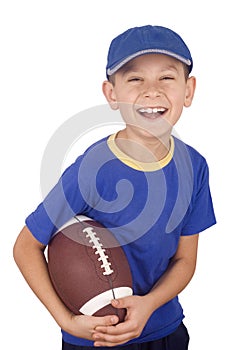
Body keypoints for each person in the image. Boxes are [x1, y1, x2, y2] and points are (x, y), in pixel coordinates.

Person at [13, 25, 216, 349]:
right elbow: (25, 246)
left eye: (166, 77)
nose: (152, 91)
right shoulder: (91, 170)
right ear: (112, 94)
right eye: (135, 79)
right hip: (96, 337)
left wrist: (148, 305)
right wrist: (67, 322)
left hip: (164, 330)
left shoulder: (195, 166)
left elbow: (185, 261)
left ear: (188, 90)